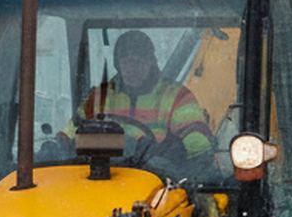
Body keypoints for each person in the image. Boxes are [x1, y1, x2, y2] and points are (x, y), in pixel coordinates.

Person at [70, 30, 216, 175]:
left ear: (151, 62)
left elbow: (198, 143)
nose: (132, 68)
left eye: (139, 61)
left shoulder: (177, 97)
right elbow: (70, 133)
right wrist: (56, 146)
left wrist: (177, 152)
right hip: (101, 176)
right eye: (126, 61)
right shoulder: (99, 98)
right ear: (117, 64)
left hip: (157, 179)